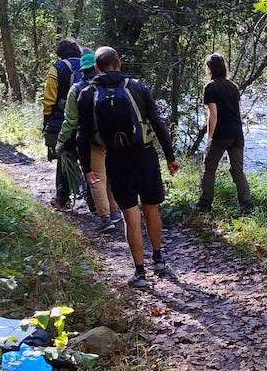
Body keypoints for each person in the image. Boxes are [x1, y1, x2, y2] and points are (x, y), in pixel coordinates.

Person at [77, 46, 181, 289]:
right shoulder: (137, 87)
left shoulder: (87, 94)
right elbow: (157, 122)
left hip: (115, 159)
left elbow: (82, 135)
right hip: (144, 156)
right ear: (119, 63)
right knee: (151, 210)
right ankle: (158, 259)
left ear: (96, 67)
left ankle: (140, 272)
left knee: (130, 217)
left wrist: (87, 169)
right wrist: (170, 156)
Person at [58, 50, 122, 234]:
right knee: (111, 176)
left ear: (83, 70)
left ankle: (105, 217)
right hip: (116, 140)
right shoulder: (113, 85)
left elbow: (71, 120)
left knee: (96, 178)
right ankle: (115, 210)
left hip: (93, 141)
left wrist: (61, 141)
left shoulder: (78, 89)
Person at [195, 53, 253, 213]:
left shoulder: (210, 87)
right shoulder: (233, 87)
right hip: (236, 133)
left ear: (209, 69)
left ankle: (204, 203)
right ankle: (246, 204)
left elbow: (213, 115)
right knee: (237, 170)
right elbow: (239, 112)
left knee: (209, 167)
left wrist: (209, 138)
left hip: (221, 133)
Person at [43, 38, 82, 210]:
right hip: (89, 120)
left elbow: (49, 97)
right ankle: (99, 203)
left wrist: (47, 119)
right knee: (92, 159)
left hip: (62, 118)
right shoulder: (88, 65)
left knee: (65, 157)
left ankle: (62, 198)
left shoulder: (57, 68)